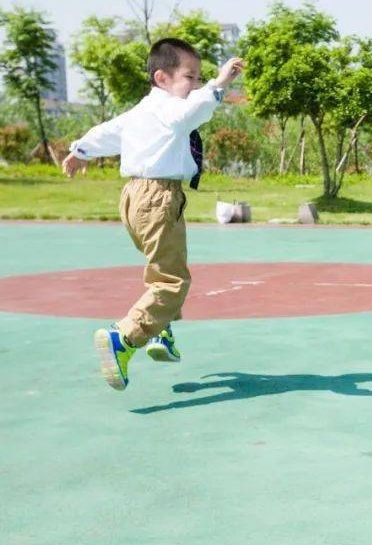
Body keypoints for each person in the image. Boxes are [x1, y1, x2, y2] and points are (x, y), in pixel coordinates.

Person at [62, 38, 243, 391]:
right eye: (189, 77)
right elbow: (189, 114)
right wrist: (218, 85)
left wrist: (80, 150)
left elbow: (109, 132)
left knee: (163, 269)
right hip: (158, 197)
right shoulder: (169, 108)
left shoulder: (143, 111)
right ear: (162, 78)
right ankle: (125, 338)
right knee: (172, 282)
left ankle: (162, 333)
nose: (194, 84)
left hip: (133, 198)